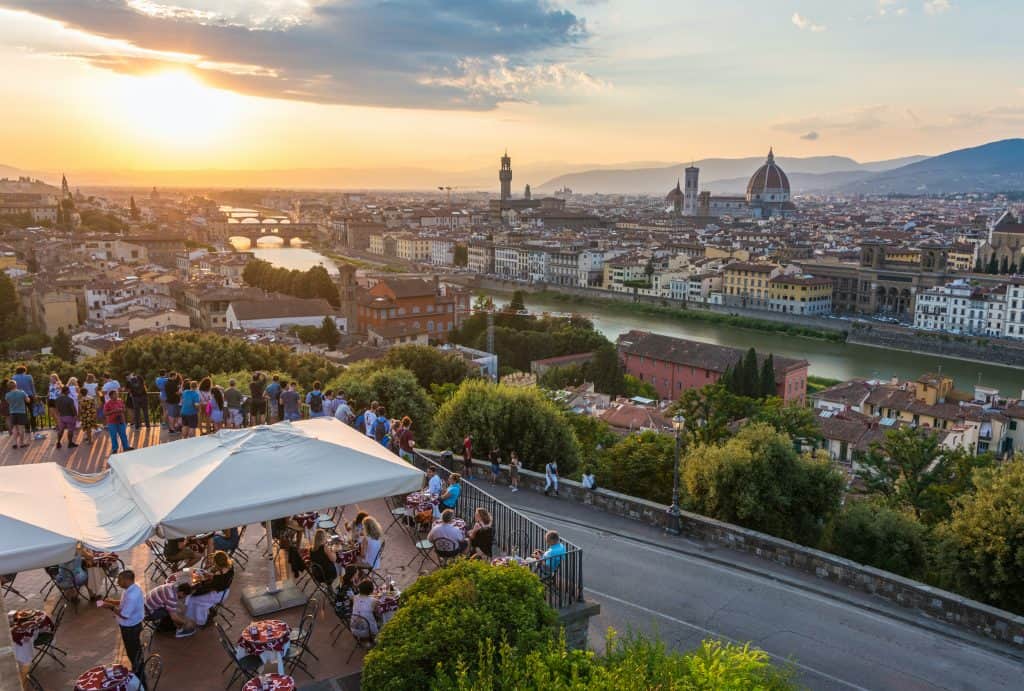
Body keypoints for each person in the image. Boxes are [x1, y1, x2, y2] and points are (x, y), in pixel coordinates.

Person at [100, 570, 144, 675]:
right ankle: (138, 668)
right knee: (135, 649)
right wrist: (112, 601)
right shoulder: (132, 588)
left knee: (132, 651)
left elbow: (124, 614)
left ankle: (139, 674)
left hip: (130, 628)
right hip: (134, 625)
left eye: (120, 580)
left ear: (126, 580)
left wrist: (110, 607)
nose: (117, 582)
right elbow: (124, 603)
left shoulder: (132, 595)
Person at [187, 551, 234, 628]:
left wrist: (194, 590)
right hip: (225, 591)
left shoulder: (218, 577)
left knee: (192, 599)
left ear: (218, 564)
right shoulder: (230, 567)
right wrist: (211, 575)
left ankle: (201, 621)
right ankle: (203, 615)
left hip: (218, 594)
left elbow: (206, 589)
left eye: (215, 563)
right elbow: (219, 577)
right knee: (194, 597)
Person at [12, 366, 37, 436]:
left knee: (23, 413)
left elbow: (14, 388)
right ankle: (34, 427)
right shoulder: (29, 376)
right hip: (29, 395)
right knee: (32, 411)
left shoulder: (14, 377)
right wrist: (34, 395)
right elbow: (32, 386)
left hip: (19, 396)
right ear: (24, 371)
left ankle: (27, 428)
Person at [5, 380, 29, 449]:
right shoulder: (21, 392)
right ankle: (22, 443)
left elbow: (8, 402)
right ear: (16, 385)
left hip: (12, 412)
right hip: (21, 412)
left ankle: (15, 443)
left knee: (14, 428)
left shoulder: (7, 395)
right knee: (21, 428)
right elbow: (28, 400)